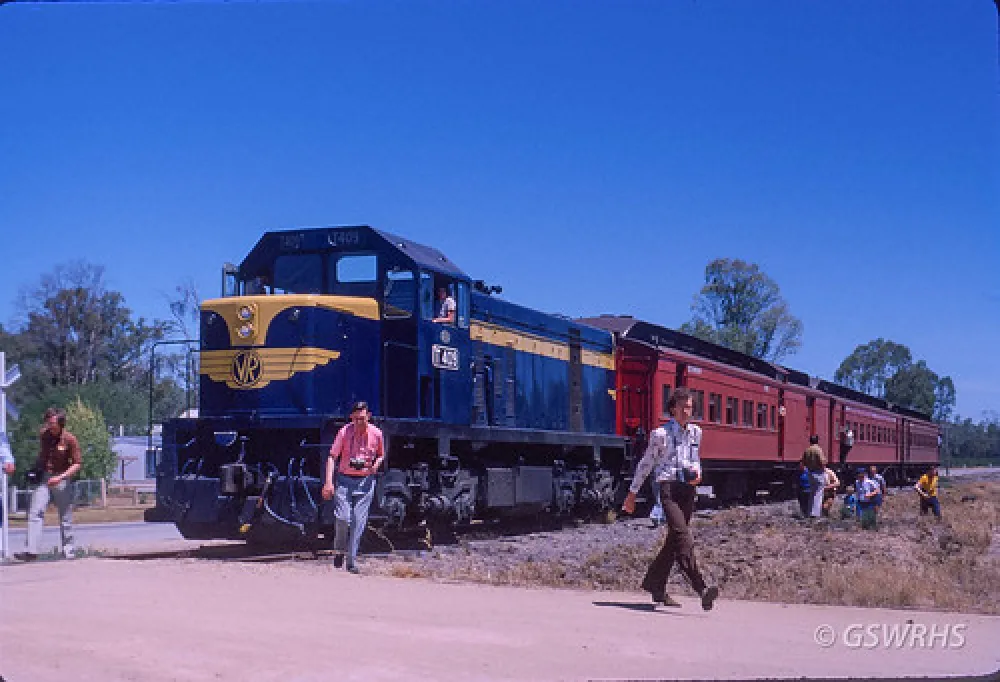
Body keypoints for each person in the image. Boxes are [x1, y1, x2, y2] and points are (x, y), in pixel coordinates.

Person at [622, 387, 720, 611]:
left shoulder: (696, 432)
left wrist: (697, 475)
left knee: (673, 542)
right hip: (668, 490)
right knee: (681, 534)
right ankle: (701, 588)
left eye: (690, 407)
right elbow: (646, 464)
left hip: (688, 491)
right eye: (683, 407)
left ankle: (655, 585)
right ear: (673, 408)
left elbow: (695, 459)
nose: (687, 411)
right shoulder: (660, 435)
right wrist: (632, 493)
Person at [322, 401, 385, 574]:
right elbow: (332, 457)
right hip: (344, 480)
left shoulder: (377, 434)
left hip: (365, 482)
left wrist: (376, 465)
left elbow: (381, 455)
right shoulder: (343, 432)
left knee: (358, 522)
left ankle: (351, 561)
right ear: (351, 418)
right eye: (356, 419)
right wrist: (329, 482)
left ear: (369, 417)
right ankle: (339, 550)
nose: (359, 422)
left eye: (362, 419)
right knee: (343, 518)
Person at [15, 407, 82, 561]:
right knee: (35, 512)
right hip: (45, 478)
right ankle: (31, 551)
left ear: (61, 423)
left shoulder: (70, 439)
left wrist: (61, 477)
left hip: (62, 479)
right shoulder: (44, 435)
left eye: (52, 422)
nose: (49, 425)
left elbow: (77, 463)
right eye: (48, 421)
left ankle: (69, 551)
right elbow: (42, 455)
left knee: (65, 516)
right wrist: (35, 470)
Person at [802, 435, 827, 518]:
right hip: (818, 472)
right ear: (817, 441)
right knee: (819, 493)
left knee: (812, 493)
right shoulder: (818, 449)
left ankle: (809, 512)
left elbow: (803, 462)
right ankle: (815, 514)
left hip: (810, 472)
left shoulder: (807, 450)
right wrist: (824, 470)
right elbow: (822, 461)